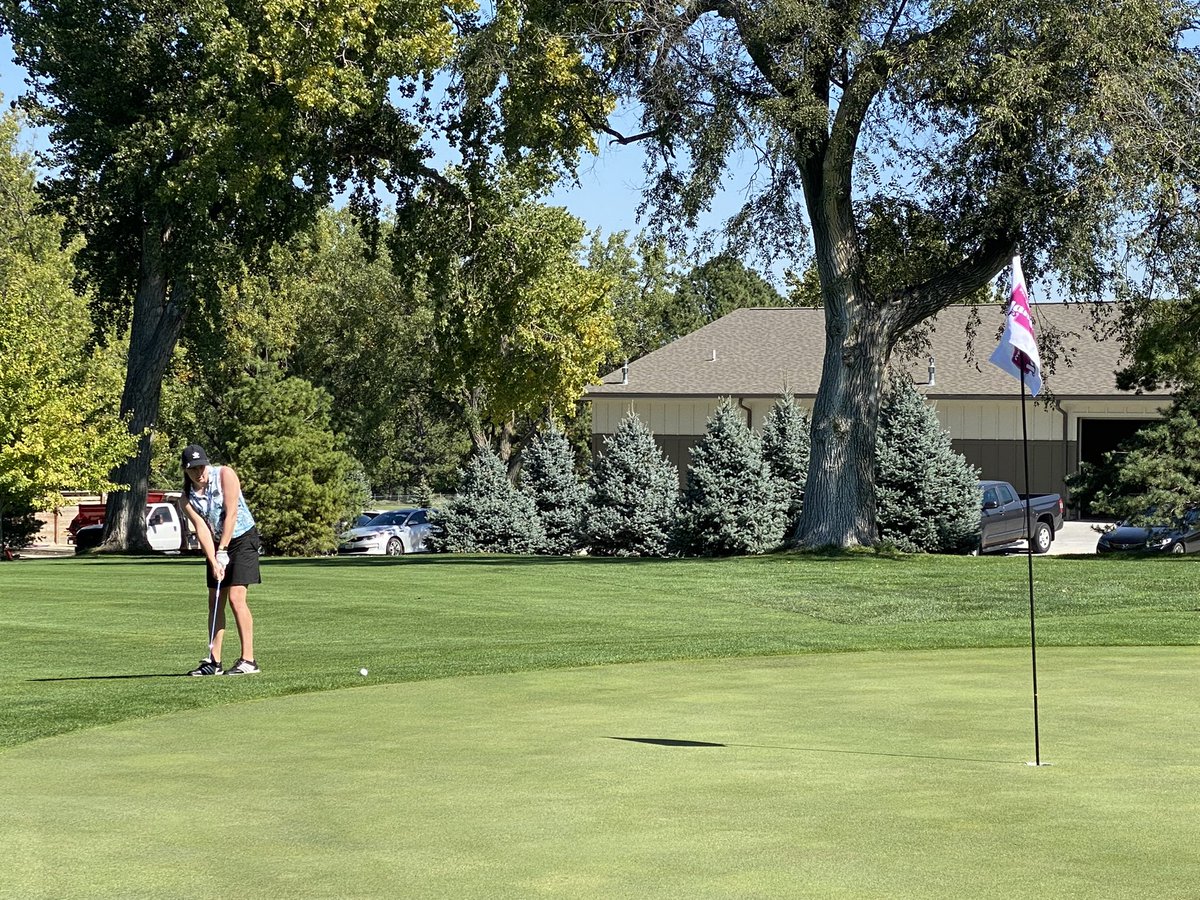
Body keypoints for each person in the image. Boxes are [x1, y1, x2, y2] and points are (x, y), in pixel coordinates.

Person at [180, 444, 263, 676]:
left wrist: (223, 549)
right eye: (193, 469)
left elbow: (232, 512)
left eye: (201, 467)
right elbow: (202, 529)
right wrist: (213, 559)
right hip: (217, 543)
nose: (199, 473)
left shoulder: (226, 474)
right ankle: (214, 662)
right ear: (185, 471)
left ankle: (248, 660)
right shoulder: (185, 499)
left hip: (242, 538)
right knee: (216, 599)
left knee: (237, 597)